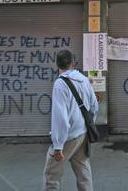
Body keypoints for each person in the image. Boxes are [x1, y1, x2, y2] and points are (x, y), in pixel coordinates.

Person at [43, 50, 99, 191]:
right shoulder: (84, 80)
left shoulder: (60, 84)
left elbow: (60, 117)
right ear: (73, 63)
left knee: (52, 175)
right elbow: (94, 106)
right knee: (83, 172)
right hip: (83, 133)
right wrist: (89, 124)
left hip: (69, 136)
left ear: (57, 65)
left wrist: (58, 145)